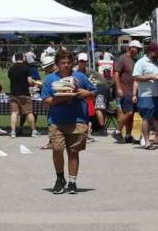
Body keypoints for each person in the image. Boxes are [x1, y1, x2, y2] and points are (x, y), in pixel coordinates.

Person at [41, 49, 95, 194]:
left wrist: (86, 93)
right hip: (56, 121)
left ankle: (72, 182)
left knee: (73, 151)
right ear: (57, 64)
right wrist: (61, 98)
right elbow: (46, 100)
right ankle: (60, 178)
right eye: (63, 63)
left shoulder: (80, 77)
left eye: (69, 62)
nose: (66, 65)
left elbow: (94, 91)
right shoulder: (50, 79)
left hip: (77, 119)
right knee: (57, 149)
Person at [133, 43, 158, 150]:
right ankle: (146, 141)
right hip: (146, 95)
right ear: (150, 52)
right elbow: (136, 77)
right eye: (157, 52)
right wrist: (149, 77)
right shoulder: (140, 62)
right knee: (146, 117)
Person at [114, 40, 142, 144]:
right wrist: (118, 88)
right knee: (128, 113)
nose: (138, 50)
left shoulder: (134, 60)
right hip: (125, 91)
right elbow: (116, 74)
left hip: (133, 92)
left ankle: (128, 136)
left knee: (131, 115)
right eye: (137, 48)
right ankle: (117, 131)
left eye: (139, 49)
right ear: (131, 48)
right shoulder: (122, 59)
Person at [7, 53, 39, 137]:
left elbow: (10, 78)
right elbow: (29, 81)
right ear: (22, 58)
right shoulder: (26, 68)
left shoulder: (11, 68)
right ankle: (33, 131)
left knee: (14, 113)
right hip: (24, 93)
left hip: (13, 93)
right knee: (29, 112)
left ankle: (13, 132)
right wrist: (33, 83)